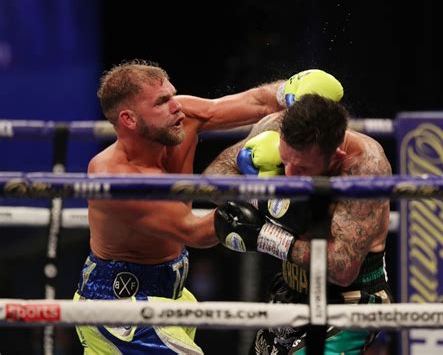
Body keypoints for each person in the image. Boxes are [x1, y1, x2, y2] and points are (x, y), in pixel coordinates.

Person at [73, 59, 330, 354]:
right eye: (162, 102)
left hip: (172, 293)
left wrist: (290, 92)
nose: (176, 106)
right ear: (129, 119)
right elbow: (193, 231)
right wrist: (264, 188)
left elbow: (257, 102)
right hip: (123, 304)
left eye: (172, 95)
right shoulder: (114, 176)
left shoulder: (180, 116)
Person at [210, 93, 394, 354]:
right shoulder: (277, 126)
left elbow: (342, 269)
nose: (289, 175)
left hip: (349, 299)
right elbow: (213, 182)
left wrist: (265, 235)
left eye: (303, 168)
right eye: (284, 161)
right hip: (290, 288)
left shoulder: (364, 168)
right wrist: (260, 194)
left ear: (336, 155)